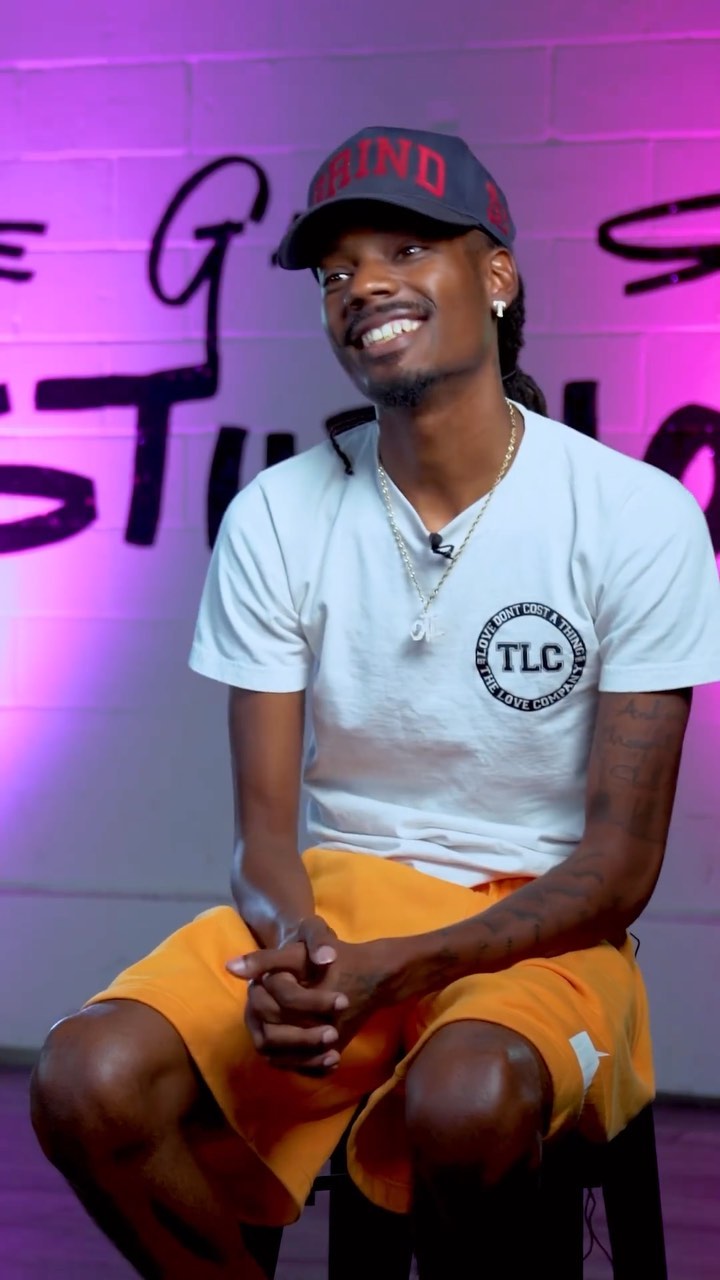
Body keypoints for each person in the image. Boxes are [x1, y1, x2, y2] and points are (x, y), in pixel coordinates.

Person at [31, 125, 720, 1279]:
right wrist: (298, 948)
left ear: (496, 275)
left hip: (542, 935)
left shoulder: (633, 516)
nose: (364, 285)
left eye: (406, 248)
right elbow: (262, 836)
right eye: (336, 270)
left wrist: (409, 965)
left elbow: (618, 866)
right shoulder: (278, 513)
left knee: (466, 1096)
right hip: (340, 910)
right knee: (84, 1074)